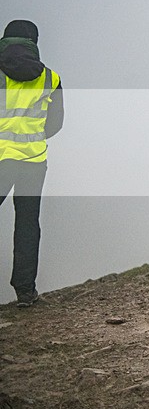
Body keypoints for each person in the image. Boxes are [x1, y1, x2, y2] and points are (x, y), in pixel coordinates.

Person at [0, 20, 64, 307]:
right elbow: (56, 123)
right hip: (33, 162)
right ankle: (25, 292)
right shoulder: (50, 78)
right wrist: (32, 137)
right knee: (27, 224)